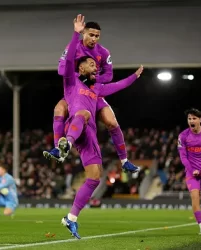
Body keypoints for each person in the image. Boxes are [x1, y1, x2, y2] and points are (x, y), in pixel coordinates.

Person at [45, 14, 144, 239]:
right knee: (71, 111)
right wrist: (74, 33)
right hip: (77, 123)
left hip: (88, 133)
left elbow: (116, 83)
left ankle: (70, 218)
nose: (95, 65)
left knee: (94, 177)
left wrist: (134, 77)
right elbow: (67, 63)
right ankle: (62, 145)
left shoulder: (97, 85)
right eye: (91, 34)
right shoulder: (71, 81)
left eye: (98, 36)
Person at [49, 19, 139, 173]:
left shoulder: (103, 52)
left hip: (94, 93)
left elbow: (109, 75)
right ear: (83, 33)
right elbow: (61, 69)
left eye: (97, 36)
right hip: (76, 91)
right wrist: (80, 78)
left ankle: (124, 161)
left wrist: (94, 81)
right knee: (59, 109)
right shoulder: (73, 47)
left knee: (111, 122)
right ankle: (58, 149)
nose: (94, 39)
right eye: (91, 35)